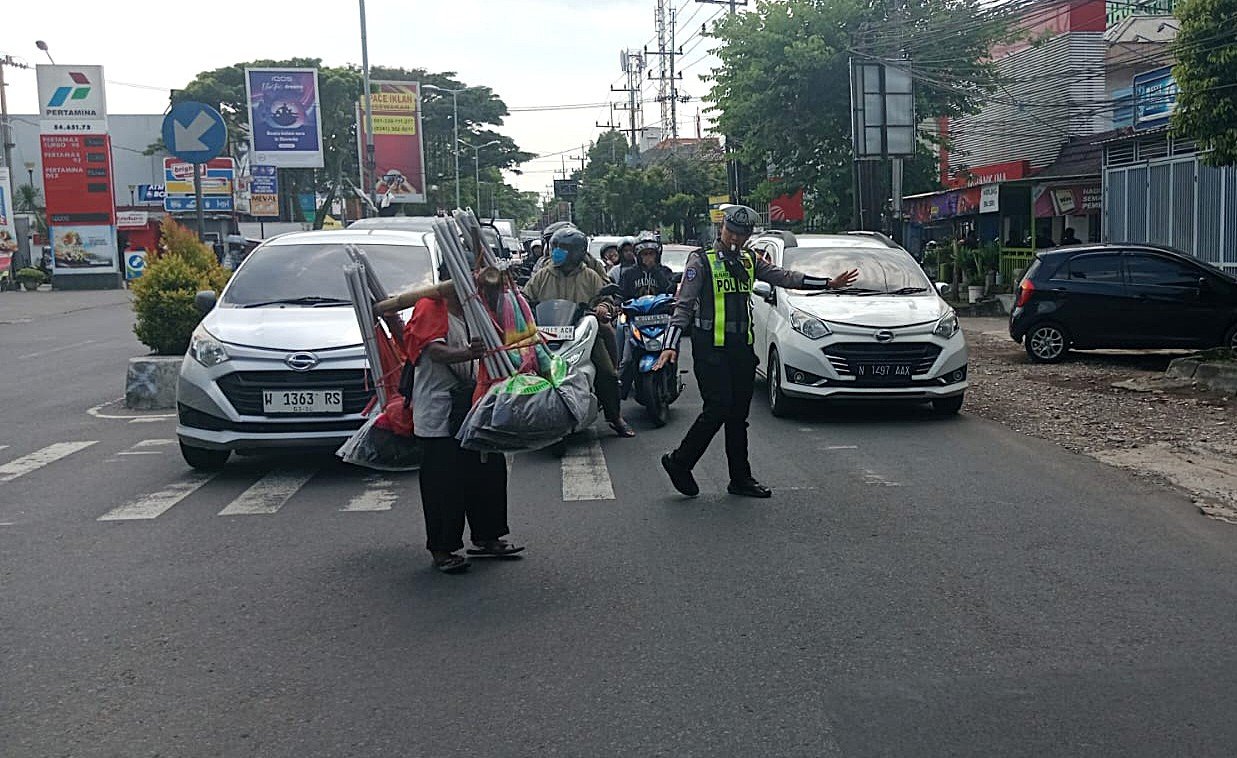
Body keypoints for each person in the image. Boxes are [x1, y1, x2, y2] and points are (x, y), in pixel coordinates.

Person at [654, 205, 859, 498]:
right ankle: (680, 461)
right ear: (722, 229)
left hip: (741, 349)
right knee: (718, 408)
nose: (734, 238)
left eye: (741, 234)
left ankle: (740, 479)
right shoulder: (701, 261)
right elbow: (683, 306)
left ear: (749, 235)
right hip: (711, 349)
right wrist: (669, 345)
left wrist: (828, 283)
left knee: (738, 415)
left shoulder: (750, 260)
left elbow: (784, 277)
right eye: (731, 232)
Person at [405, 281, 524, 574]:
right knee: (444, 485)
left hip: (473, 404)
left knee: (488, 472)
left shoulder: (474, 309)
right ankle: (442, 549)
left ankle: (487, 536)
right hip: (439, 411)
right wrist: (470, 353)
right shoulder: (430, 307)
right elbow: (435, 352)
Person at [525, 227, 636, 437]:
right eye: (555, 247)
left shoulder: (590, 276)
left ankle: (615, 417)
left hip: (583, 335)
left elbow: (606, 299)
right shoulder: (542, 275)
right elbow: (525, 297)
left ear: (576, 252)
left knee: (607, 373)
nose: (557, 252)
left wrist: (603, 307)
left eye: (563, 248)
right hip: (547, 336)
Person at [619, 234, 673, 300]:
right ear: (639, 256)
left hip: (659, 305)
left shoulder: (665, 271)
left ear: (657, 255)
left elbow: (670, 291)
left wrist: (656, 270)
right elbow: (621, 295)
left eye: (651, 253)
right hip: (635, 306)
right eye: (645, 254)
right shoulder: (628, 273)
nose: (648, 257)